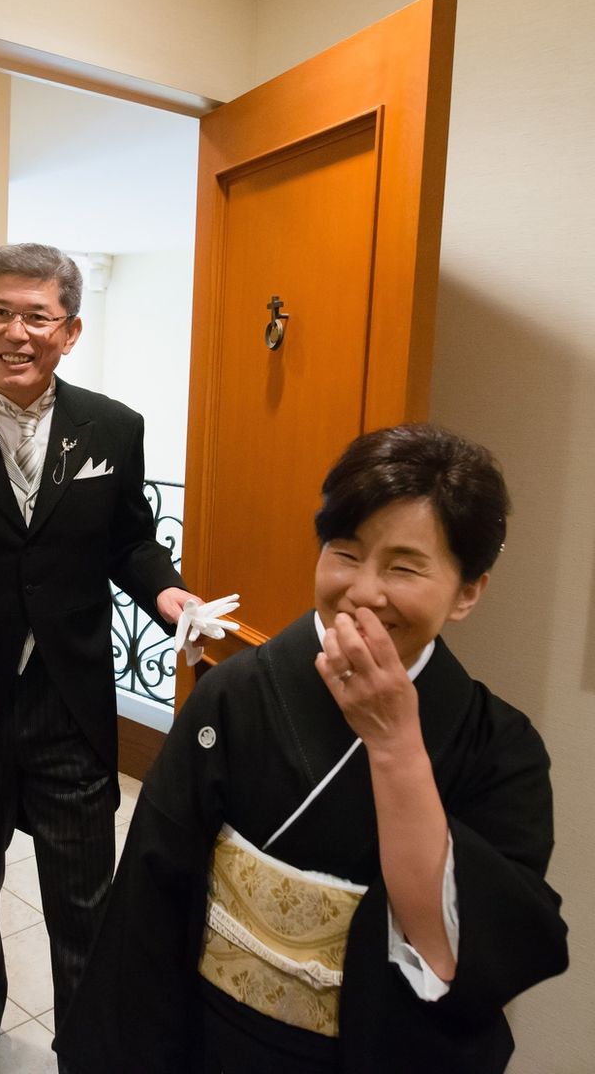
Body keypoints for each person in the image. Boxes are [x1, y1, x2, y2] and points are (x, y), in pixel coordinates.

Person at [55, 423, 569, 1073]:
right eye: (345, 552)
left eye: (403, 566)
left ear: (468, 591)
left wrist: (395, 745)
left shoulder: (502, 751)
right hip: (216, 1045)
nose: (363, 590)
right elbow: (149, 904)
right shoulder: (235, 694)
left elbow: (461, 956)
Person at [0, 242, 205, 1074]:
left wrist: (167, 594)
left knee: (87, 909)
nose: (17, 333)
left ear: (70, 330)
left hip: (70, 704)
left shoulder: (113, 427)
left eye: (37, 317)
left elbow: (130, 542)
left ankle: (87, 1051)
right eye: (0, 313)